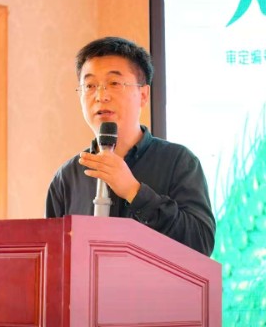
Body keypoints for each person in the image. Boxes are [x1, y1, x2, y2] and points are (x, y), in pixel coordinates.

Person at [46, 36, 215, 256]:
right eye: (90, 86)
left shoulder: (179, 162)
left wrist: (134, 192)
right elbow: (54, 257)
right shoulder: (67, 178)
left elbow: (201, 244)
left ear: (143, 95)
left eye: (114, 83)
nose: (101, 96)